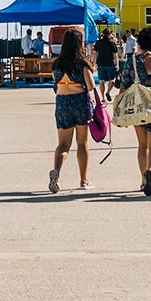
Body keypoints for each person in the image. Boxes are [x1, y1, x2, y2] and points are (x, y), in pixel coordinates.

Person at [115, 28, 151, 197]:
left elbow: (124, 85)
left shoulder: (132, 62)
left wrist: (120, 104)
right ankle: (150, 170)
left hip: (138, 107)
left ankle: (143, 180)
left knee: (142, 145)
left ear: (138, 43)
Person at [48, 29, 96, 193]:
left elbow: (56, 84)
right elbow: (90, 86)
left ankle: (56, 172)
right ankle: (83, 180)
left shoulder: (57, 64)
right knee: (82, 143)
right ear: (79, 44)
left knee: (63, 144)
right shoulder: (82, 63)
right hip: (79, 102)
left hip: (62, 103)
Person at [93, 28, 120, 102]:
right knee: (112, 79)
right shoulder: (112, 43)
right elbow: (115, 56)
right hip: (110, 64)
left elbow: (94, 53)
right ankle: (108, 92)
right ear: (109, 34)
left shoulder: (98, 42)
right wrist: (117, 65)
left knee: (101, 81)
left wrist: (93, 62)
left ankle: (103, 98)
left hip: (100, 63)